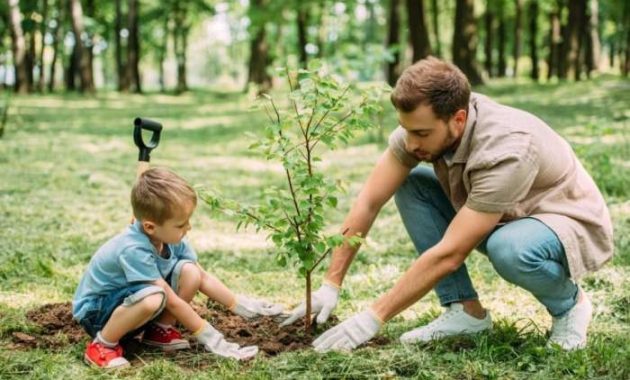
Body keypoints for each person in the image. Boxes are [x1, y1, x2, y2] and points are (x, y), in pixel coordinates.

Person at [281, 57, 613, 352]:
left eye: (422, 134)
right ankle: (465, 312)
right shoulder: (420, 130)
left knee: (508, 248)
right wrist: (330, 283)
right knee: (412, 185)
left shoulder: (507, 149)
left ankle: (570, 306)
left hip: (562, 219)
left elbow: (451, 253)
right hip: (502, 213)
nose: (411, 143)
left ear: (458, 118)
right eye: (406, 130)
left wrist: (373, 316)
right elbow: (369, 200)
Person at [73, 168, 283, 369]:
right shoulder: (133, 249)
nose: (188, 228)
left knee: (190, 272)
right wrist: (212, 338)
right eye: (181, 224)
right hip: (98, 313)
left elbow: (202, 277)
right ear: (150, 227)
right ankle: (102, 345)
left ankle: (159, 330)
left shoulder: (169, 237)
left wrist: (239, 305)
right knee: (154, 297)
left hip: (128, 303)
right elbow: (171, 301)